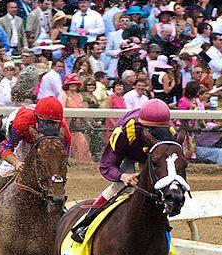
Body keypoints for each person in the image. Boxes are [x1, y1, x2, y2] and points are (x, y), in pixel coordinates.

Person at [70, 99, 171, 242]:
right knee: (120, 186)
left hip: (151, 155)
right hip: (128, 151)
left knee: (157, 186)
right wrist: (123, 176)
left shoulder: (169, 134)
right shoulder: (125, 132)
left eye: (160, 131)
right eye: (151, 131)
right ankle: (86, 223)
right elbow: (106, 165)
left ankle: (163, 224)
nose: (155, 136)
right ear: (142, 126)